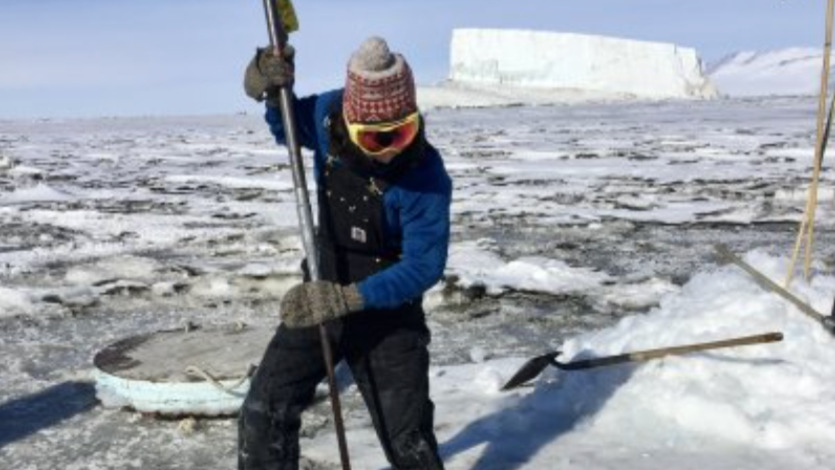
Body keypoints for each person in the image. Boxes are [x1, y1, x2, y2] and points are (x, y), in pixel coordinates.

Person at [238, 36, 451, 470]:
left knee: (408, 440)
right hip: (322, 292)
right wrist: (271, 90)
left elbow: (424, 265)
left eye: (401, 133)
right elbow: (286, 127)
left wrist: (350, 298)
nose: (390, 149)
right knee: (264, 411)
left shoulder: (426, 176)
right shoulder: (326, 115)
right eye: (374, 138)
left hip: (390, 315)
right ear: (350, 123)